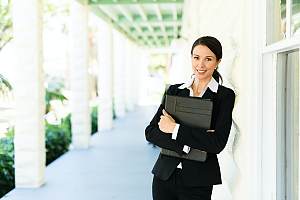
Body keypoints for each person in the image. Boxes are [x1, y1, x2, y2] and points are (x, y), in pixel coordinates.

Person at [145, 36, 235, 200]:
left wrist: (174, 128)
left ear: (218, 62)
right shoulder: (174, 91)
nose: (200, 65)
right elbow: (151, 132)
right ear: (191, 58)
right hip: (164, 176)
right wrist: (192, 143)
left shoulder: (224, 96)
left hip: (198, 182)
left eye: (208, 59)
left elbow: (216, 143)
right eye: (196, 57)